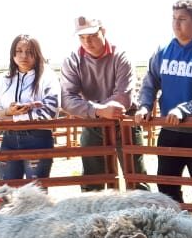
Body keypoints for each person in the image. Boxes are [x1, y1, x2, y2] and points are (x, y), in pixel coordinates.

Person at [135, 0, 192, 228]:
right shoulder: (163, 50)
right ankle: (180, 230)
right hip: (170, 130)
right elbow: (150, 82)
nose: (176, 24)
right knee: (167, 186)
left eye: (182, 19)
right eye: (174, 18)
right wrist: (144, 105)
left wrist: (185, 109)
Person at [60, 16, 146, 191]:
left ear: (103, 31)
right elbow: (66, 99)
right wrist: (99, 110)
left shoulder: (120, 56)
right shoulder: (73, 61)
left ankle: (144, 216)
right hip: (93, 121)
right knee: (92, 181)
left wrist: (97, 109)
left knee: (136, 179)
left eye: (91, 35)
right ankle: (93, 218)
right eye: (82, 37)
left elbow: (124, 96)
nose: (87, 41)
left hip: (124, 122)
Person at [0, 34, 60, 181]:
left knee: (35, 194)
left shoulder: (47, 76)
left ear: (37, 54)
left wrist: (13, 117)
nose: (23, 55)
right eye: (19, 50)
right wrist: (8, 111)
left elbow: (51, 110)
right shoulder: (3, 79)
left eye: (29, 51)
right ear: (13, 53)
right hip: (9, 139)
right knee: (7, 190)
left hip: (38, 139)